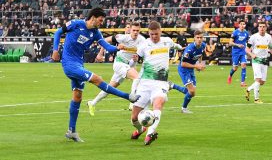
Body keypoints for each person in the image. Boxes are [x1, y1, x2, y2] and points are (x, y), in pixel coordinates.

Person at [51, 8, 140, 142]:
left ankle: (71, 131)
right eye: (100, 20)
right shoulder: (76, 24)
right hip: (69, 64)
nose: (101, 22)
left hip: (79, 64)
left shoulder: (96, 33)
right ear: (93, 17)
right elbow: (58, 32)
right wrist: (55, 50)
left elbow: (107, 47)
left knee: (77, 96)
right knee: (97, 79)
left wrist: (117, 47)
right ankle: (128, 97)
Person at [130, 21, 182, 146]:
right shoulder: (144, 45)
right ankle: (140, 129)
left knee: (158, 104)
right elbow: (133, 64)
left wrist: (181, 48)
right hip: (145, 83)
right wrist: (133, 61)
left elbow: (176, 46)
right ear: (148, 33)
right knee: (134, 118)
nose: (154, 36)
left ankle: (150, 133)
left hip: (161, 83)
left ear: (160, 31)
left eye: (156, 34)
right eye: (152, 34)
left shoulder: (167, 41)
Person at [87, 22, 146, 116]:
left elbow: (141, 55)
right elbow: (104, 40)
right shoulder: (123, 37)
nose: (135, 32)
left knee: (110, 88)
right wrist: (100, 53)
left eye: (137, 31)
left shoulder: (142, 40)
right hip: (119, 63)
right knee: (137, 77)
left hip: (128, 65)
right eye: (134, 30)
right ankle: (132, 102)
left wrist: (137, 58)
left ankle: (92, 103)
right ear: (130, 30)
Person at [169, 30, 206, 113]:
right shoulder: (189, 49)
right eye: (197, 37)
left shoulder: (203, 45)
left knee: (191, 92)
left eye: (201, 37)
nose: (199, 39)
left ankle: (172, 85)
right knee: (192, 91)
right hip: (184, 70)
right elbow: (183, 64)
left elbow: (200, 55)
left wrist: (199, 64)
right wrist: (196, 66)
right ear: (194, 38)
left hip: (191, 69)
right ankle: (184, 108)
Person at [245, 21, 272, 104]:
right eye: (260, 26)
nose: (262, 28)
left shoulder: (268, 37)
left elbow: (271, 47)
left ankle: (248, 89)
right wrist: (252, 54)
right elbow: (247, 49)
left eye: (263, 26)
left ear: (266, 28)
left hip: (265, 60)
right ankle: (256, 99)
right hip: (256, 60)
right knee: (258, 79)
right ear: (258, 28)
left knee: (262, 82)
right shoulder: (253, 37)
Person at [227, 20, 250, 87]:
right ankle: (230, 75)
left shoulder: (246, 33)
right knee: (235, 68)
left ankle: (242, 82)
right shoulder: (235, 32)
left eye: (244, 24)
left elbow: (248, 42)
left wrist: (249, 49)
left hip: (243, 52)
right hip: (236, 52)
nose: (242, 25)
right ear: (239, 25)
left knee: (244, 65)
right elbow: (230, 43)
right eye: (241, 24)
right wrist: (237, 45)